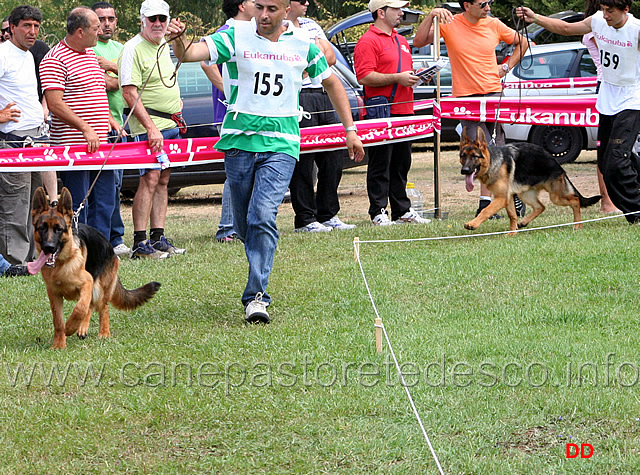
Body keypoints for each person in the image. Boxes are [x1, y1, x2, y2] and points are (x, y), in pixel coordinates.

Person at [169, 0, 365, 323]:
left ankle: (256, 296)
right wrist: (178, 38)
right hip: (238, 142)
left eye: (271, 8)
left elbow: (331, 82)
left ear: (286, 9)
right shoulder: (234, 36)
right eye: (259, 6)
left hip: (282, 143)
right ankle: (257, 250)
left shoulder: (303, 44)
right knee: (246, 225)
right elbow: (189, 55)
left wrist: (350, 130)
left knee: (262, 215)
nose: (263, 15)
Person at [517, 1, 640, 223]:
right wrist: (535, 18)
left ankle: (637, 211)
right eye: (603, 10)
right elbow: (565, 29)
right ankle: (634, 211)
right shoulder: (597, 21)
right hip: (608, 99)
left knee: (617, 161)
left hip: (632, 100)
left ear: (626, 10)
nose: (605, 15)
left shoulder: (636, 30)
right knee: (606, 165)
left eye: (610, 11)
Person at [414, 0, 529, 218]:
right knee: (479, 149)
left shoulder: (494, 24)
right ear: (467, 5)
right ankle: (495, 200)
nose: (488, 7)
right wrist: (431, 16)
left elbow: (523, 42)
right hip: (466, 98)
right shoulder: (449, 23)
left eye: (490, 2)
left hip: (493, 94)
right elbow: (419, 41)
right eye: (482, 3)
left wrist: (505, 67)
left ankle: (495, 200)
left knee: (495, 149)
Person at [40, 7, 116, 242]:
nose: (101, 30)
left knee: (105, 199)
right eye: (96, 28)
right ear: (81, 32)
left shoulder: (90, 54)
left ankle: (100, 248)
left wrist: (109, 120)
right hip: (74, 146)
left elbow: (96, 92)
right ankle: (77, 249)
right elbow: (55, 104)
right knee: (77, 202)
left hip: (100, 142)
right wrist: (85, 128)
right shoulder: (54, 59)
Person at [354, 0, 431, 226]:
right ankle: (378, 211)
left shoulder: (400, 40)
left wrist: (418, 75)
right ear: (381, 12)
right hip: (382, 110)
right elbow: (364, 76)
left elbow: (400, 72)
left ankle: (401, 210)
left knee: (401, 162)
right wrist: (398, 78)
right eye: (396, 9)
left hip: (404, 108)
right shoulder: (368, 41)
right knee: (381, 162)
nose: (401, 13)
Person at [119, 0, 186, 259]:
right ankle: (140, 242)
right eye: (152, 19)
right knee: (149, 179)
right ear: (142, 21)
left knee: (163, 180)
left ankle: (158, 237)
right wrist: (150, 128)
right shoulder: (133, 48)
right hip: (150, 127)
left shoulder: (163, 44)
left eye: (162, 18)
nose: (157, 23)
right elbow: (129, 93)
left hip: (170, 124)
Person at [286, 0, 356, 232]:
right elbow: (295, 64)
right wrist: (313, 56)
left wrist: (311, 59)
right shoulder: (280, 26)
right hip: (298, 94)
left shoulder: (311, 25)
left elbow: (331, 57)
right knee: (304, 162)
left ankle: (328, 214)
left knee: (333, 157)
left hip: (322, 91)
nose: (306, 3)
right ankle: (305, 218)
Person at [0, 5, 57, 267]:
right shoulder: (3, 55)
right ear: (12, 28)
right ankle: (15, 263)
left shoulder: (28, 55)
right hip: (14, 140)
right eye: (26, 26)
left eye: (36, 26)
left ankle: (33, 259)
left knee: (36, 203)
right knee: (15, 205)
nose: (32, 31)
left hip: (37, 139)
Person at [200, 0, 254, 243]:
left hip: (250, 115)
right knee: (236, 173)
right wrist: (229, 92)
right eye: (254, 1)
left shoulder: (253, 32)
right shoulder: (226, 33)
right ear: (242, 5)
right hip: (230, 116)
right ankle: (227, 227)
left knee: (248, 172)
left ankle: (242, 225)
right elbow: (205, 62)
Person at [91, 1, 130, 256]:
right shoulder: (87, 47)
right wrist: (118, 77)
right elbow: (102, 84)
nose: (107, 24)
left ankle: (116, 237)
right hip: (97, 127)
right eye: (101, 19)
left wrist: (113, 67)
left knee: (115, 188)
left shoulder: (122, 49)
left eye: (111, 19)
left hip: (122, 124)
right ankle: (105, 240)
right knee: (100, 190)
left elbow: (130, 79)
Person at [581, 0, 619, 214]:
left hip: (621, 86)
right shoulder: (598, 29)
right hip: (608, 86)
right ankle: (607, 201)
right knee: (605, 147)